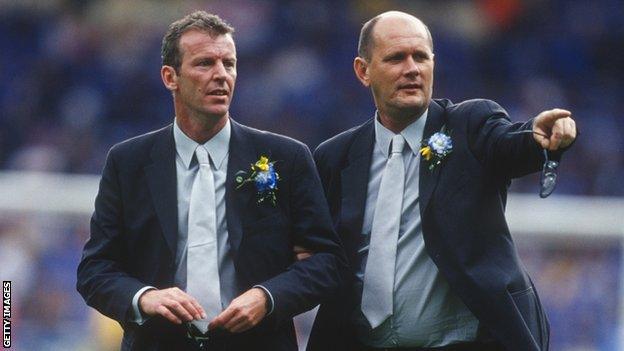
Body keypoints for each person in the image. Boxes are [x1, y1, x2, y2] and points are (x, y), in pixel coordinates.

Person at [76, 11, 345, 351]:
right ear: (170, 77)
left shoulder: (286, 157)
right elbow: (95, 270)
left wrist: (267, 297)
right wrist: (146, 298)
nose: (221, 75)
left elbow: (327, 262)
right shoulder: (128, 162)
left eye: (228, 64)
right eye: (205, 63)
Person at [307, 11, 576, 351]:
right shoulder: (336, 156)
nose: (412, 68)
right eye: (396, 58)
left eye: (421, 56)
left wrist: (538, 136)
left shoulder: (470, 125)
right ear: (363, 71)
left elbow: (510, 144)